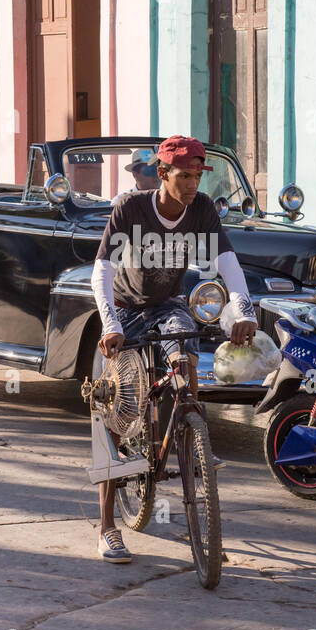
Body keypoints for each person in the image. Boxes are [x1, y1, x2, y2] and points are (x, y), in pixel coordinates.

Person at [91, 135, 258, 563]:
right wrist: (110, 325)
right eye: (184, 176)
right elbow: (102, 269)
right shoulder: (130, 208)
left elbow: (229, 265)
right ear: (162, 174)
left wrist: (242, 312)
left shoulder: (201, 209)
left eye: (198, 176)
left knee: (185, 360)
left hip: (168, 305)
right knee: (120, 409)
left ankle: (193, 440)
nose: (192, 184)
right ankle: (108, 526)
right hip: (126, 310)